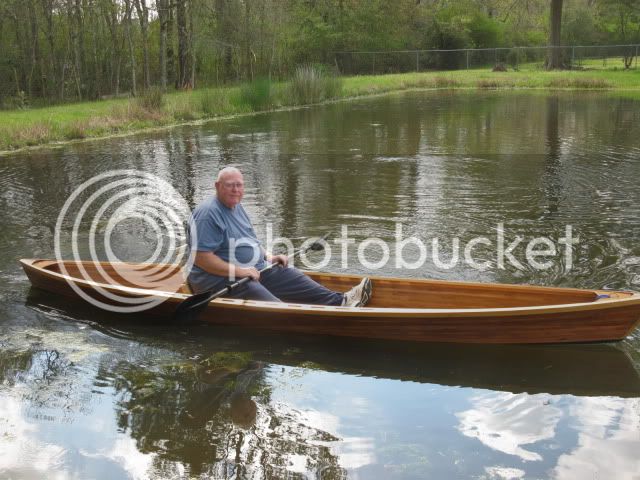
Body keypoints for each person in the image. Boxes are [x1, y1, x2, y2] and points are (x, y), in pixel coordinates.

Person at [187, 166, 372, 307]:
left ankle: (341, 301)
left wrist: (269, 257)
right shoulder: (208, 214)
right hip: (221, 280)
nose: (236, 189)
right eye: (230, 185)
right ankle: (302, 321)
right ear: (217, 186)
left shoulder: (237, 206)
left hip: (254, 270)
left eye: (239, 185)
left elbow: (251, 241)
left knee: (290, 273)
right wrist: (241, 271)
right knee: (277, 309)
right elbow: (201, 259)